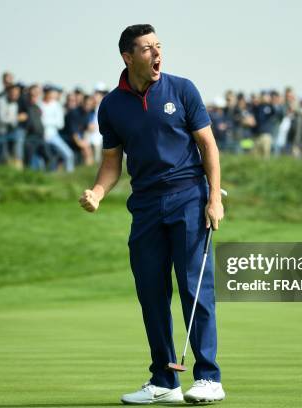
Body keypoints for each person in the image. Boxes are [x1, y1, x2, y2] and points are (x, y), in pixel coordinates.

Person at [78, 24, 225, 405]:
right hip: (144, 206)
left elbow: (207, 144)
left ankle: (208, 377)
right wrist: (97, 191)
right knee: (151, 293)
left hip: (187, 199)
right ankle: (164, 380)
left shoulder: (182, 89)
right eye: (147, 48)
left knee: (195, 289)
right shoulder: (111, 106)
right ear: (128, 57)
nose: (156, 53)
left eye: (158, 46)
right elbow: (112, 163)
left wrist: (214, 198)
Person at [39, 84, 75, 172]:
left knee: (68, 154)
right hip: (41, 136)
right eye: (48, 92)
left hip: (53, 136)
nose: (50, 94)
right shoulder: (39, 104)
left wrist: (45, 120)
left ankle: (69, 174)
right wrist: (51, 120)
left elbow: (60, 124)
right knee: (45, 159)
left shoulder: (56, 105)